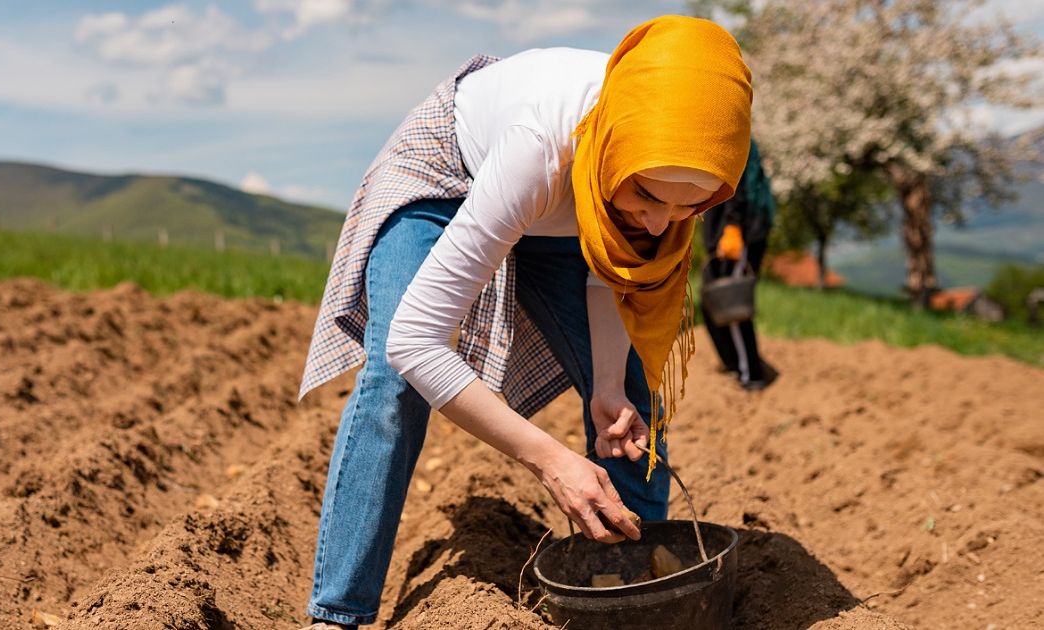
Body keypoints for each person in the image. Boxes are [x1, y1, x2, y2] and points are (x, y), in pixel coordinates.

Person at [298, 16, 752, 629]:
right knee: (394, 379)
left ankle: (638, 597)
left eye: (689, 206)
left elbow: (613, 270)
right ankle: (338, 612)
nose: (657, 223)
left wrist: (608, 385)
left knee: (630, 395)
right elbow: (415, 341)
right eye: (647, 196)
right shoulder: (537, 149)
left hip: (563, 206)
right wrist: (549, 459)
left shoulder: (674, 157)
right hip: (449, 175)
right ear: (614, 152)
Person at [700, 139, 778, 391]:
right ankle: (734, 364)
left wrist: (733, 226)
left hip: (738, 232)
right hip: (724, 231)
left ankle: (751, 375)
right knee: (712, 302)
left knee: (732, 304)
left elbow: (737, 182)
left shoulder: (730, 135)